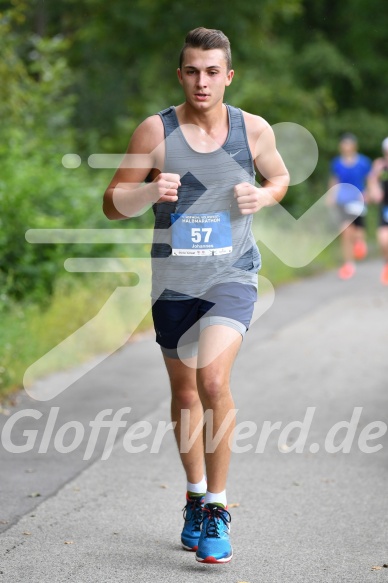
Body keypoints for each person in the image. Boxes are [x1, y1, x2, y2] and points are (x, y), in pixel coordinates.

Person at [103, 27, 289, 564]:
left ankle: (216, 507)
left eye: (212, 72)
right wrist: (147, 190)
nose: (201, 81)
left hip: (232, 276)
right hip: (174, 281)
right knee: (185, 396)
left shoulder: (252, 130)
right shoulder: (154, 133)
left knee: (212, 381)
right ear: (180, 74)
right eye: (192, 71)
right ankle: (192, 493)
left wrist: (264, 194)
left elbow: (280, 177)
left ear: (228, 76)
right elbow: (113, 204)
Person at [329, 133, 372, 280]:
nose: (346, 147)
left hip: (358, 200)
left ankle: (360, 243)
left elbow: (370, 179)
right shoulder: (337, 163)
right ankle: (348, 264)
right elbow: (334, 180)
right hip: (343, 201)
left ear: (354, 146)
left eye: (349, 144)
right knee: (345, 231)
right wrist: (331, 196)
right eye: (344, 144)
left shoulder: (363, 162)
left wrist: (369, 193)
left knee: (358, 231)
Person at [367, 137, 388, 285]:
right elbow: (372, 181)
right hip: (385, 206)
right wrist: (374, 191)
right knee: (383, 239)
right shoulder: (380, 166)